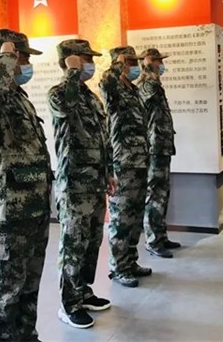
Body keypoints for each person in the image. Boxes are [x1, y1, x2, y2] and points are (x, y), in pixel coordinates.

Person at [0, 29, 53, 342]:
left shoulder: (20, 99)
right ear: (2, 59)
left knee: (30, 284)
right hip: (9, 211)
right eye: (21, 57)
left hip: (35, 207)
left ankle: (27, 335)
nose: (26, 64)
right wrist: (5, 56)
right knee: (7, 288)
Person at [47, 39, 117, 329]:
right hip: (74, 186)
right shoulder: (60, 93)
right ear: (70, 60)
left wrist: (108, 172)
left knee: (91, 242)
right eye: (85, 58)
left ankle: (84, 292)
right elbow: (64, 107)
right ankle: (69, 304)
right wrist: (72, 73)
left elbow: (103, 138)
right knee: (73, 245)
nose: (90, 63)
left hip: (95, 183)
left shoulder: (91, 98)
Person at [99, 46, 152, 288]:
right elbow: (105, 82)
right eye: (129, 62)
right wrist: (117, 64)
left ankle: (130, 261)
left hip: (140, 162)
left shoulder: (133, 90)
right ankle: (119, 267)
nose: (134, 66)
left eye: (134, 62)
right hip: (123, 164)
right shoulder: (113, 90)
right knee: (121, 219)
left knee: (135, 217)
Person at [138, 48, 180, 258]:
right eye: (158, 61)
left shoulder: (156, 84)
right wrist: (148, 69)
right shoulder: (147, 85)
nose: (161, 65)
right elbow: (149, 93)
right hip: (153, 148)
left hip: (162, 146)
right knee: (154, 194)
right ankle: (152, 240)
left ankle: (161, 235)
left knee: (162, 194)